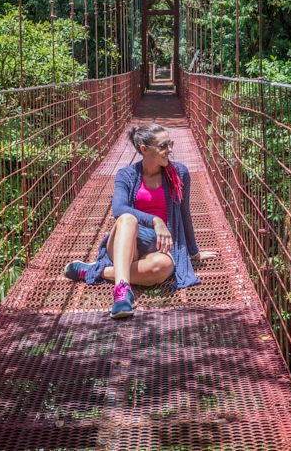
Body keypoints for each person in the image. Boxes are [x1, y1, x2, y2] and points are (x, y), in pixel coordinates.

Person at [63, 123, 210, 319]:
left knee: (160, 268)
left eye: (171, 143)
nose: (170, 149)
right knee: (127, 218)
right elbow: (119, 209)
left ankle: (95, 271)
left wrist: (193, 252)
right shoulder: (127, 175)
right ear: (144, 149)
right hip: (127, 241)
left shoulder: (180, 173)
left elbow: (184, 213)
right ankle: (122, 295)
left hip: (160, 246)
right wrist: (155, 220)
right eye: (164, 145)